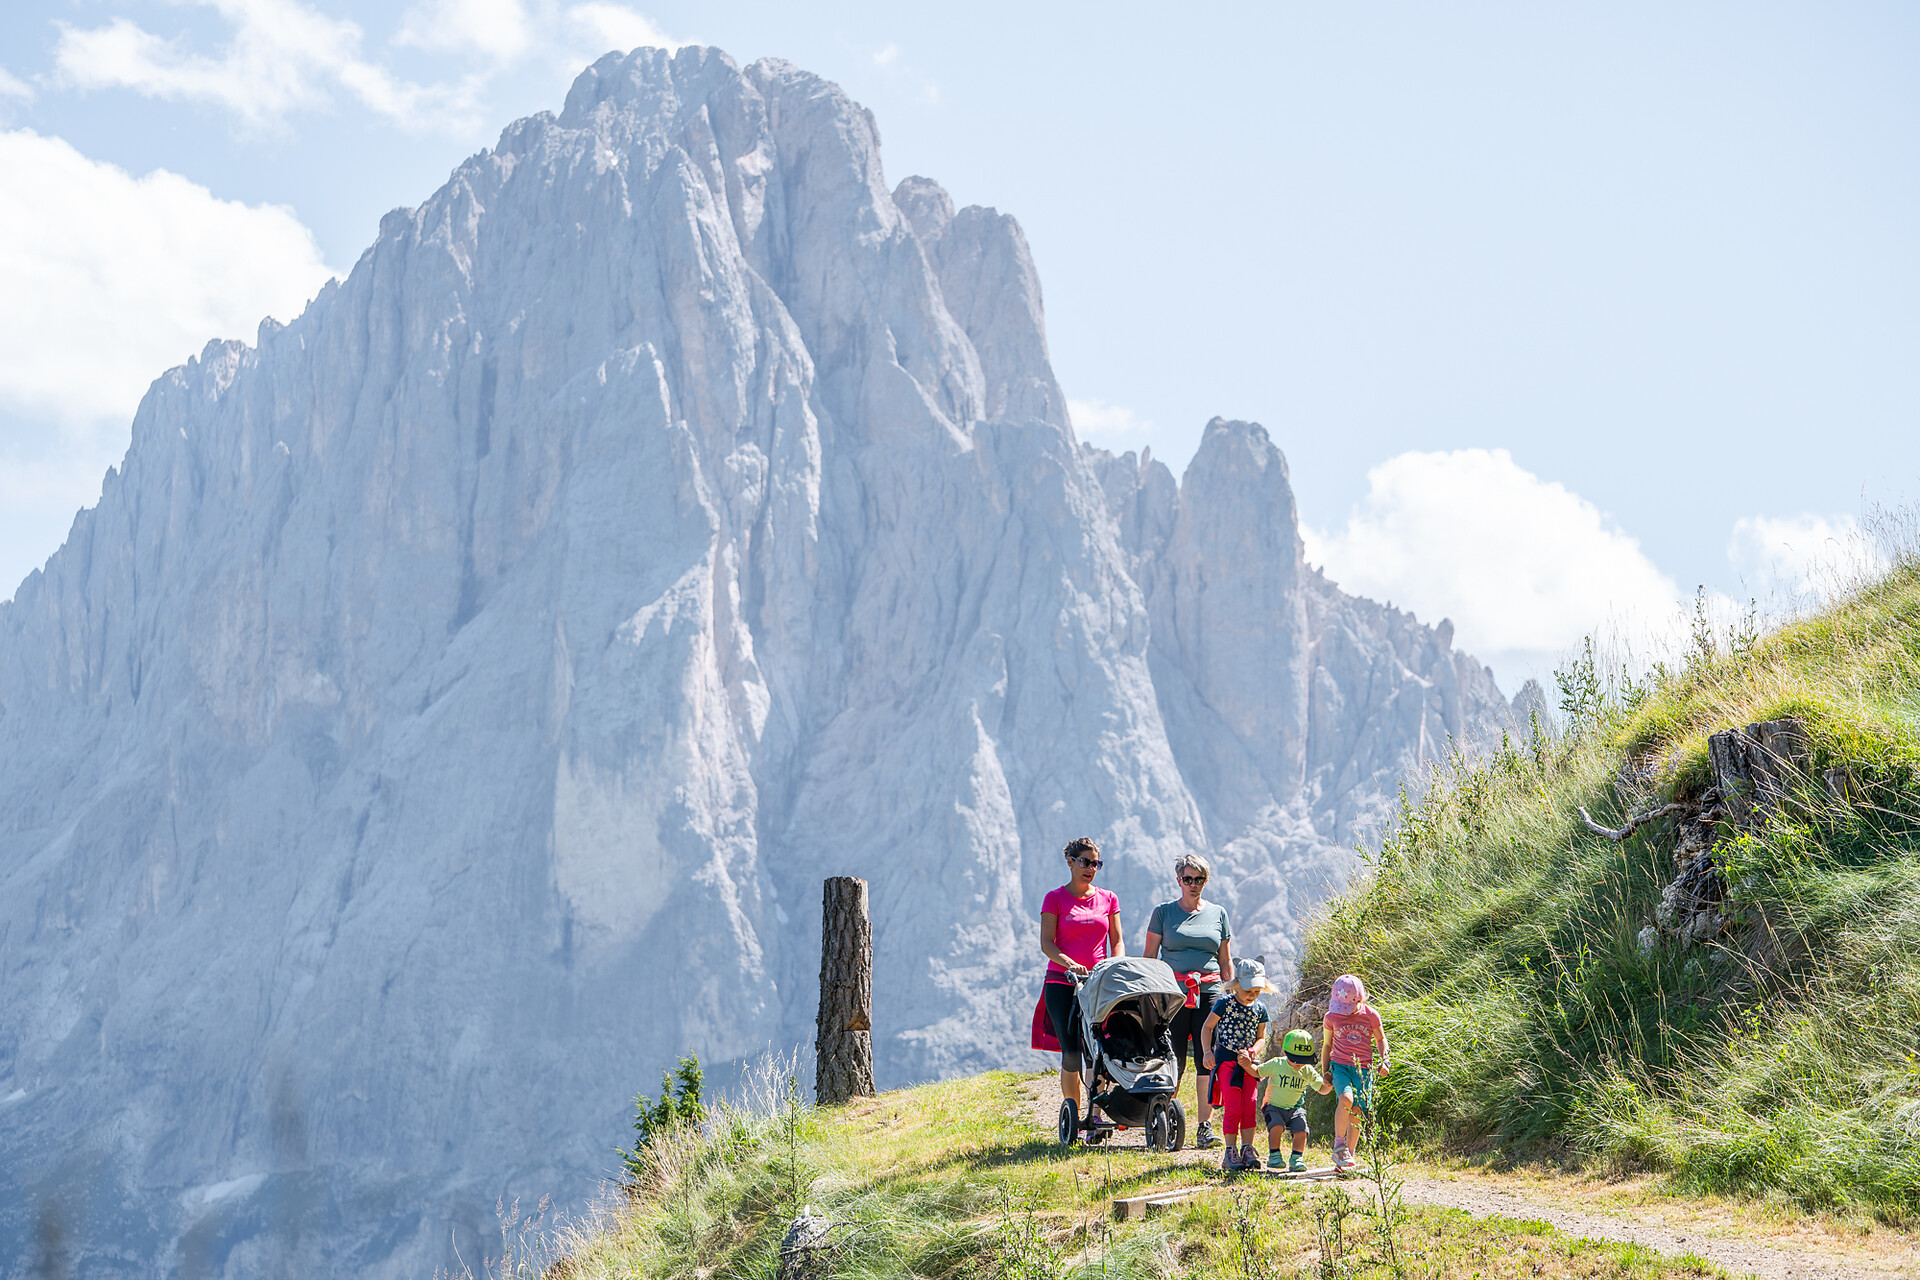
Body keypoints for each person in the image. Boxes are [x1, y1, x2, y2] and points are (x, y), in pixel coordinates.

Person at [1142, 854, 1233, 1148]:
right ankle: (1167, 1120)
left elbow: (1225, 960)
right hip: (1173, 995)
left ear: (1206, 881)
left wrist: (1229, 996)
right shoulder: (1163, 913)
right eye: (1188, 879)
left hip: (1210, 993)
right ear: (1178, 880)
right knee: (1173, 1059)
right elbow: (1150, 956)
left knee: (1207, 1059)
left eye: (1199, 879)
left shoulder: (1219, 914)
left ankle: (1204, 1127)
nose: (1193, 885)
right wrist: (1149, 995)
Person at [1035, 836, 1123, 1117]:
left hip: (1097, 983)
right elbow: (1047, 943)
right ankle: (1072, 1113)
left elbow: (1117, 940)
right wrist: (1069, 964)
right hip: (1061, 983)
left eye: (1096, 863)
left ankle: (1094, 1115)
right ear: (1070, 862)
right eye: (1085, 862)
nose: (1091, 868)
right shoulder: (1055, 898)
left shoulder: (1108, 898)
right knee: (1071, 1051)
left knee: (1098, 1050)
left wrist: (1115, 964)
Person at [1200, 958, 1274, 1171]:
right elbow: (1207, 1027)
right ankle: (1230, 1152)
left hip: (1249, 1066)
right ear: (1237, 984)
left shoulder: (1260, 1009)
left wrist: (1253, 1051)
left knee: (1249, 1107)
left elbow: (1261, 1038)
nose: (1252, 995)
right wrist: (1207, 1052)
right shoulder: (1224, 1004)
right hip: (1227, 1062)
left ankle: (1247, 1148)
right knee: (1233, 1107)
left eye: (1257, 991)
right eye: (1248, 989)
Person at [1320, 973, 1391, 1171]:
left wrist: (1385, 1061)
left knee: (1358, 1111)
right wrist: (1325, 1071)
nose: (1344, 1012)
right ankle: (1339, 1145)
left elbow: (1380, 1039)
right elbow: (1327, 1045)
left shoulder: (1370, 1015)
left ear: (1360, 999)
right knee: (1346, 1099)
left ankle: (1348, 1156)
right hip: (1340, 1066)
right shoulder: (1331, 1017)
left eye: (1348, 1008)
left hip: (1363, 1069)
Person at [1242, 1027, 1332, 1171]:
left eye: (1303, 1060)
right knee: (1276, 1126)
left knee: (1301, 1130)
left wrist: (1329, 1085)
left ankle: (1297, 1158)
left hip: (1295, 1108)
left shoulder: (1307, 1070)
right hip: (1273, 1106)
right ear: (1284, 1052)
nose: (1298, 1064)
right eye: (1295, 1059)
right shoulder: (1277, 1064)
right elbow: (1257, 1072)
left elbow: (1321, 1089)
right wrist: (1247, 1065)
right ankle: (1275, 1155)